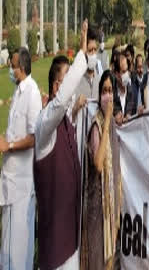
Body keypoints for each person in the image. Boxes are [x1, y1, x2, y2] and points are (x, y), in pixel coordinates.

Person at [34, 21, 90, 270]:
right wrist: (81, 54)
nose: (71, 90)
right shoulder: (46, 122)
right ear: (57, 86)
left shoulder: (66, 121)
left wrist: (76, 113)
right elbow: (60, 103)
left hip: (71, 239)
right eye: (67, 82)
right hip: (56, 248)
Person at [0, 48, 42, 269]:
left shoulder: (32, 93)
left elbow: (34, 137)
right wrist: (5, 140)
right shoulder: (18, 92)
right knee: (8, 244)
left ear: (22, 68)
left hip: (21, 185)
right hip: (10, 179)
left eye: (12, 65)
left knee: (16, 249)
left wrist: (11, 145)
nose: (10, 68)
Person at [80, 72, 122, 269]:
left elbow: (116, 168)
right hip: (98, 210)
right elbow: (98, 163)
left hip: (110, 208)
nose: (107, 95)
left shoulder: (112, 123)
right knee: (98, 261)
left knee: (110, 261)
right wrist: (105, 124)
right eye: (104, 90)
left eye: (110, 90)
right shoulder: (97, 125)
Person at [114, 51, 139, 124]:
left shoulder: (131, 91)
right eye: (123, 71)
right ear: (116, 74)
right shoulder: (111, 94)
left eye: (127, 70)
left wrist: (130, 116)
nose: (127, 74)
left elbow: (134, 113)